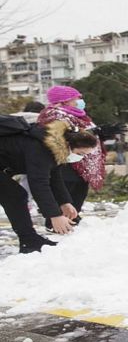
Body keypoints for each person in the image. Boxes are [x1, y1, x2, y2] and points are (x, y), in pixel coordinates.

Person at [0, 120, 98, 253]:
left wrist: (64, 202)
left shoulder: (54, 147)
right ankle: (29, 241)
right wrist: (54, 215)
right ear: (70, 144)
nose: (80, 158)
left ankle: (29, 240)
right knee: (15, 196)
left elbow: (54, 177)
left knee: (14, 195)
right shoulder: (41, 148)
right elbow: (39, 183)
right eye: (80, 154)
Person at [37, 85, 120, 227]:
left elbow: (85, 136)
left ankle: (72, 219)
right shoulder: (53, 115)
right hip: (65, 164)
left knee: (78, 195)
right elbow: (65, 137)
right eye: (76, 98)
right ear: (65, 100)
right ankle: (57, 223)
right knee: (66, 194)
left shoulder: (80, 116)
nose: (80, 101)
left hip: (81, 163)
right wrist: (95, 132)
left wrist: (101, 134)